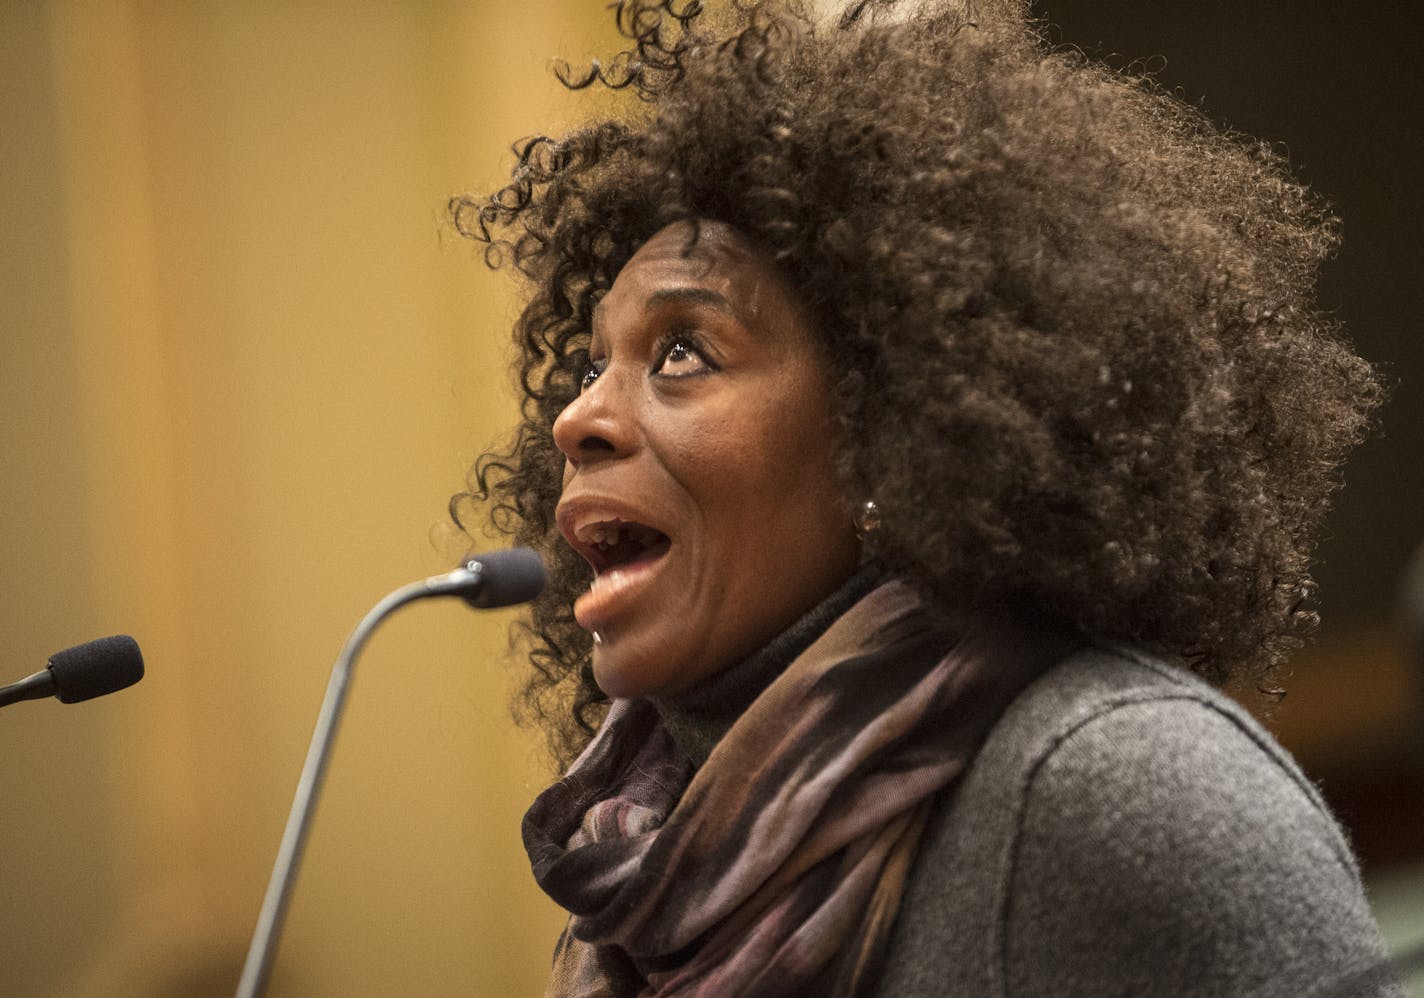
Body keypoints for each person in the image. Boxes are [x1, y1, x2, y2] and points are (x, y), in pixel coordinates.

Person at [450, 1, 1400, 994]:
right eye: (593, 361)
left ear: (884, 432)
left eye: (681, 349)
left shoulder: (1121, 789)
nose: (575, 419)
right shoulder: (628, 892)